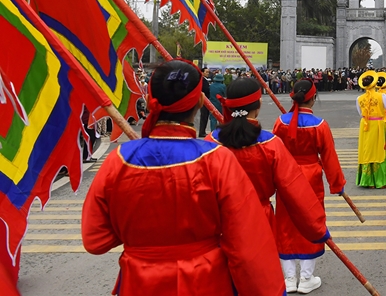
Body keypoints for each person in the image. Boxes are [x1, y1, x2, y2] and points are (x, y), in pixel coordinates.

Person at [81, 60, 284, 295]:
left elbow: (95, 240)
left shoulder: (118, 161)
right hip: (205, 282)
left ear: (149, 100)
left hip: (139, 283)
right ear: (199, 102)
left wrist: (141, 235)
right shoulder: (218, 159)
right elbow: (247, 244)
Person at [207, 77, 330, 293]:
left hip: (218, 224)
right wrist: (317, 228)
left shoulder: (210, 143)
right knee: (259, 281)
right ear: (258, 105)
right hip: (258, 222)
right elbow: (295, 191)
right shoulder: (270, 144)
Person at [273, 80, 346, 293]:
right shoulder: (320, 125)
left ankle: (288, 278)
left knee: (285, 223)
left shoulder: (280, 122)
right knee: (311, 222)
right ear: (313, 99)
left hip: (285, 177)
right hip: (311, 179)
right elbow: (330, 157)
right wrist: (337, 184)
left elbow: (272, 152)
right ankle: (305, 278)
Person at [355, 70, 386, 188]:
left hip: (365, 125)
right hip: (377, 124)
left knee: (366, 150)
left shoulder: (359, 98)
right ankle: (380, 180)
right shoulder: (381, 96)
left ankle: (367, 180)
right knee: (378, 150)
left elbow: (360, 113)